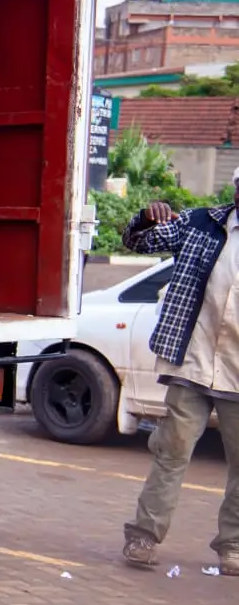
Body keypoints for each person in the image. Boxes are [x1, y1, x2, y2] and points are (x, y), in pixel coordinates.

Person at [121, 167, 239, 574]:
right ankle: (143, 537)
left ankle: (233, 546)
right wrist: (145, 218)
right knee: (171, 452)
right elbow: (137, 241)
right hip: (192, 362)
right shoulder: (200, 224)